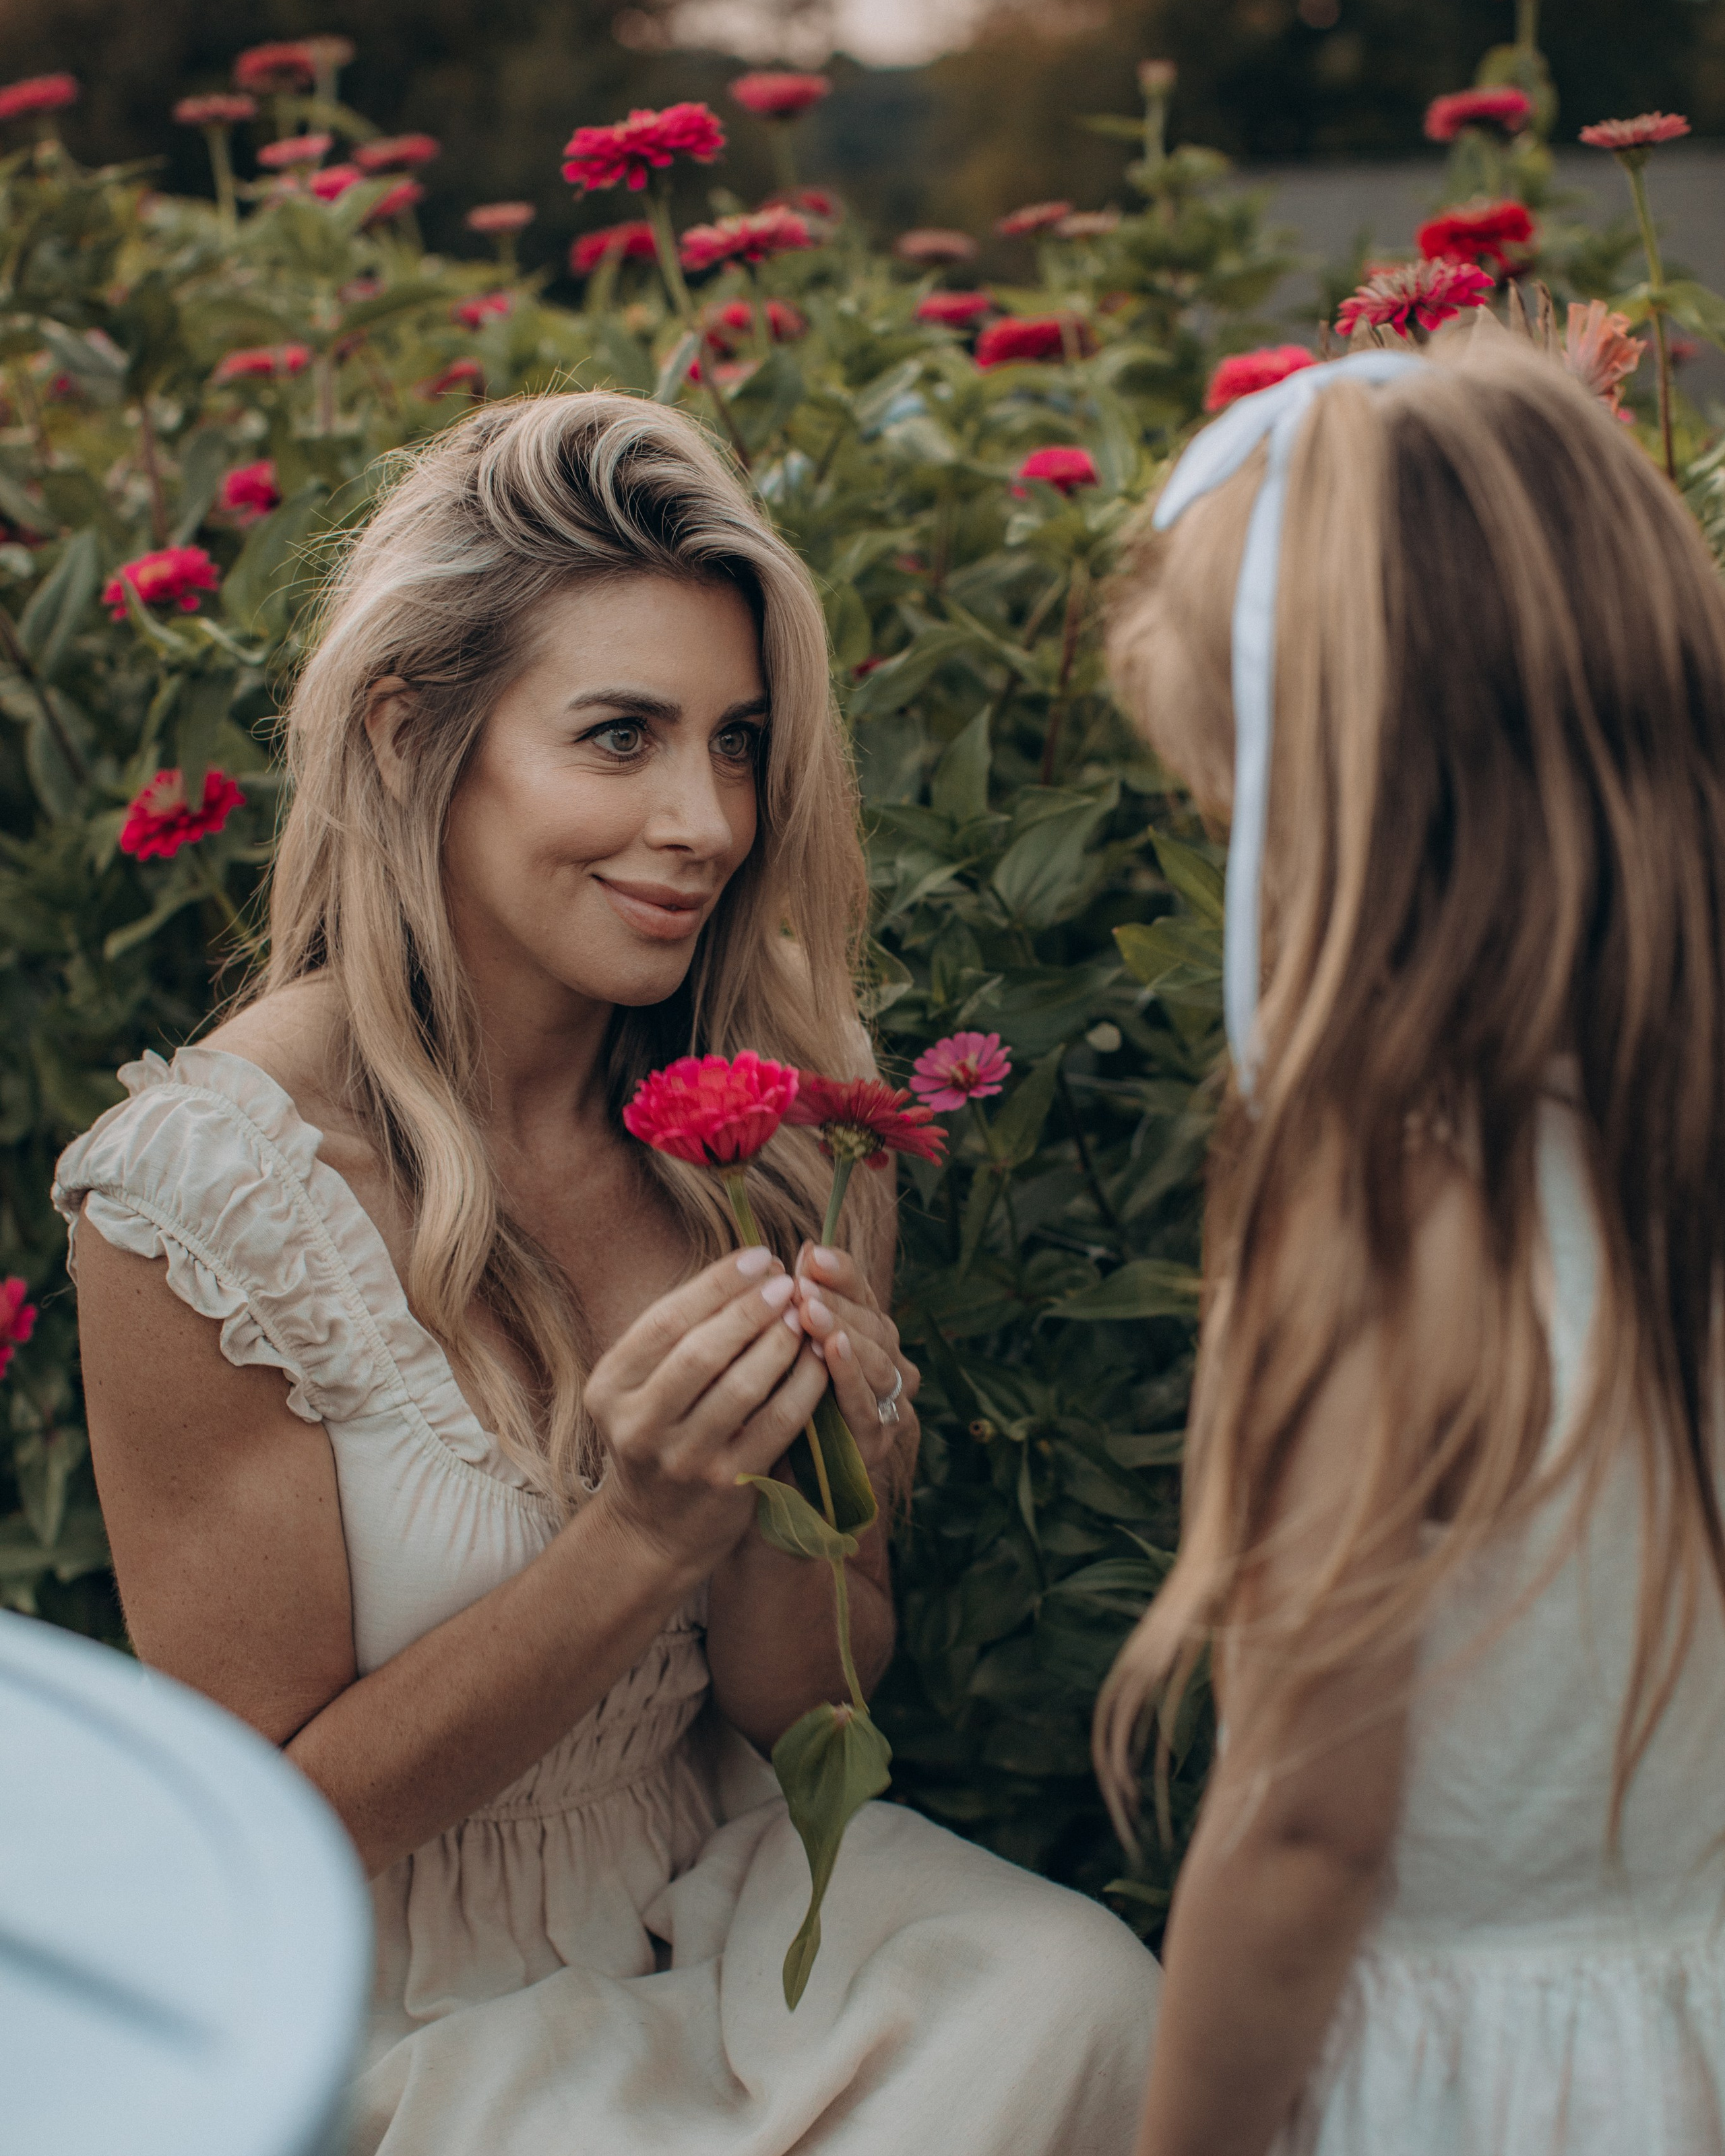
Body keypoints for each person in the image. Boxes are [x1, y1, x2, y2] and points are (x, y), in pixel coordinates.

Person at [53, 391, 1156, 2155]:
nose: (704, 822)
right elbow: (264, 1832)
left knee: (1080, 1995)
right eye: (620, 736)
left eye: (739, 744)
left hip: (714, 1892)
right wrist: (639, 1535)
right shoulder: (204, 1194)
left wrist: (806, 1494)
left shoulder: (779, 1131)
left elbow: (805, 1710)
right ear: (413, 736)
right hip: (403, 1995)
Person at [1098, 324, 1725, 2156]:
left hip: (1498, 2087)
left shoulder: (1388, 1214)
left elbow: (1309, 1835)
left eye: (1235, 815)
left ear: (1350, 817)